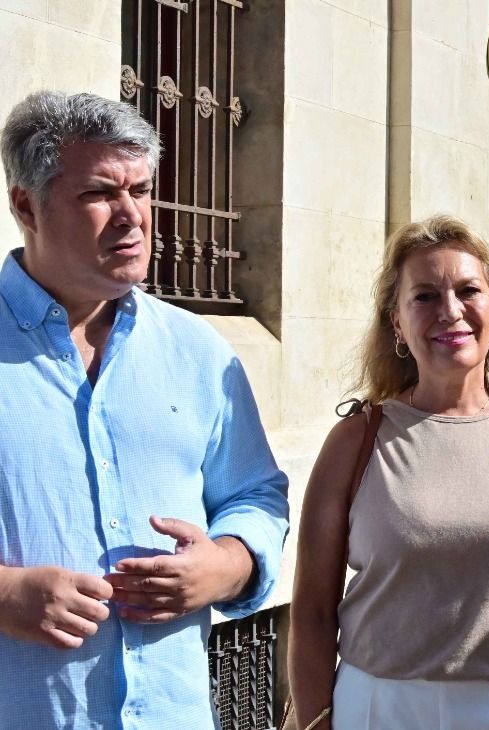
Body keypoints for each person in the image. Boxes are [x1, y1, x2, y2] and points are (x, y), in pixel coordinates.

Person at [0, 90, 290, 727]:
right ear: (26, 205)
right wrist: (5, 597)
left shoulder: (199, 351)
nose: (132, 216)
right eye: (100, 194)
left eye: (141, 189)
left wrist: (229, 564)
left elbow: (257, 494)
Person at [289, 215, 489, 730]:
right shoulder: (355, 442)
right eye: (425, 297)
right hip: (379, 709)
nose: (451, 312)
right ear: (396, 322)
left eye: (468, 291)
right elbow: (312, 613)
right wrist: (315, 722)